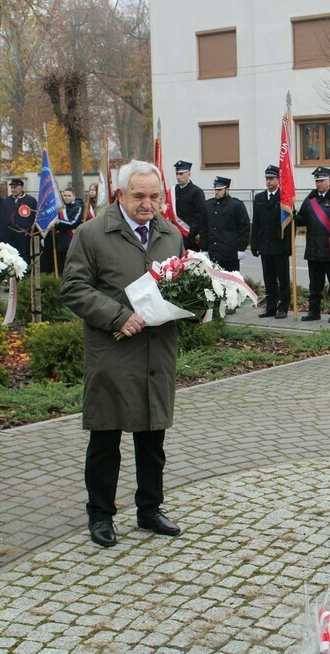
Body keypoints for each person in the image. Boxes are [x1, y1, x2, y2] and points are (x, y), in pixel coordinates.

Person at [61, 160, 185, 549]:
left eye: (154, 196)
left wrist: (196, 304)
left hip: (156, 351)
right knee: (105, 440)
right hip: (112, 350)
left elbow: (181, 285)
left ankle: (150, 509)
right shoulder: (92, 233)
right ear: (119, 195)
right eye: (139, 196)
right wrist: (118, 316)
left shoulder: (171, 235)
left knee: (152, 440)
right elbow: (74, 288)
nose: (147, 204)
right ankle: (100, 515)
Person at [295, 166, 330, 323]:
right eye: (317, 181)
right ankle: (314, 311)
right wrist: (291, 214)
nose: (319, 184)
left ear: (329, 181)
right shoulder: (310, 200)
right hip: (313, 250)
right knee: (314, 285)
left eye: (322, 180)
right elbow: (302, 219)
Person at [250, 164, 292, 319]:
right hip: (265, 246)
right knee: (269, 279)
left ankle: (283, 307)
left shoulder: (284, 198)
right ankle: (271, 306)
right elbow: (256, 223)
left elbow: (288, 225)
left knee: (283, 280)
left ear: (278, 179)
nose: (268, 181)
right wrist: (254, 244)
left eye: (271, 178)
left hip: (280, 247)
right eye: (267, 178)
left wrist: (288, 247)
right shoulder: (259, 198)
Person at [198, 175, 249, 275]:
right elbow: (203, 228)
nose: (217, 192)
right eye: (216, 189)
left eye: (220, 189)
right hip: (213, 253)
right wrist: (204, 248)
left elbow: (244, 228)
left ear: (227, 189)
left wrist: (241, 248)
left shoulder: (236, 205)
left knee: (231, 284)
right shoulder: (208, 205)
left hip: (230, 255)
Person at [43, 188, 84, 274]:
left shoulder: (78, 207)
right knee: (62, 267)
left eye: (69, 196)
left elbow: (73, 223)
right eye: (65, 196)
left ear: (74, 197)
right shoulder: (62, 209)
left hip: (72, 240)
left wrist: (58, 221)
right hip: (62, 242)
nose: (66, 198)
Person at [1, 178, 36, 266]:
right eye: (12, 187)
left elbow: (34, 217)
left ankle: (25, 275)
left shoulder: (30, 201)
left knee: (24, 255)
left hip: (24, 235)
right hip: (9, 234)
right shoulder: (6, 201)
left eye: (15, 187)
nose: (13, 190)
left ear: (21, 187)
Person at [173, 160, 205, 251]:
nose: (178, 177)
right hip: (175, 236)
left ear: (189, 174)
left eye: (181, 174)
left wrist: (191, 235)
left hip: (190, 238)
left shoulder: (197, 192)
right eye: (177, 174)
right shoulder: (173, 191)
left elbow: (199, 216)